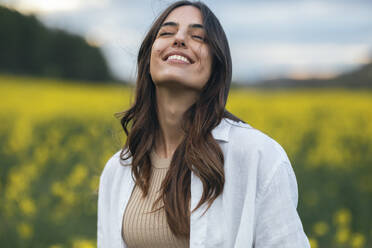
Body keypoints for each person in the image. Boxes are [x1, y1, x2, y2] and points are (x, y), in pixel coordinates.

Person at [97, 1, 311, 247]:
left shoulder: (258, 156)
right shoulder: (117, 169)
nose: (179, 39)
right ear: (148, 58)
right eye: (167, 32)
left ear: (216, 66)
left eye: (198, 36)